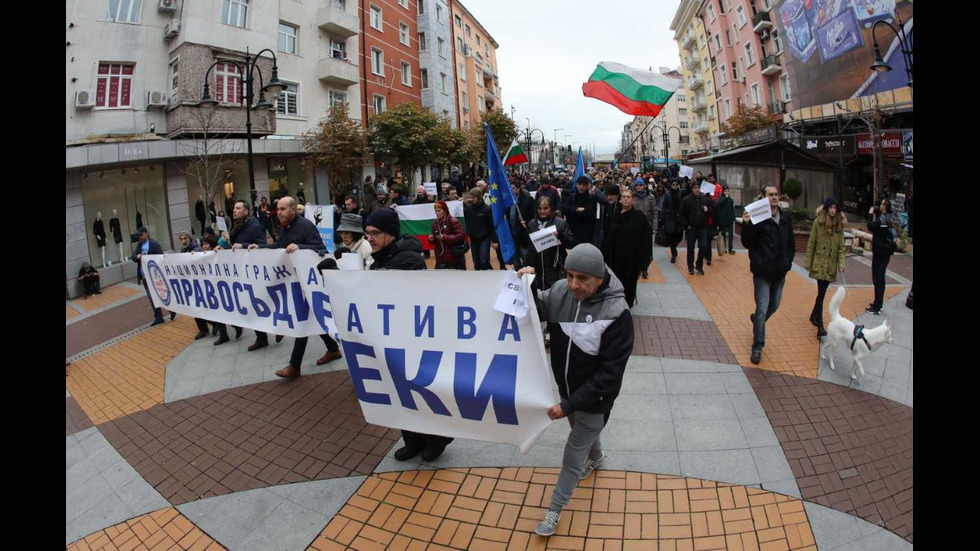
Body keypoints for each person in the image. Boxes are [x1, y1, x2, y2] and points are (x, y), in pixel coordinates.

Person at [515, 244, 633, 537]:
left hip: (596, 399)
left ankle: (554, 509)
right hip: (568, 388)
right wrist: (524, 284)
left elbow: (609, 375)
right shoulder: (560, 292)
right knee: (585, 433)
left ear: (600, 278)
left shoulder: (618, 313)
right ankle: (598, 456)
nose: (573, 285)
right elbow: (534, 308)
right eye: (569, 276)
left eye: (582, 278)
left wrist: (567, 406)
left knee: (573, 452)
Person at [364, 208, 454, 461]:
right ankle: (412, 440)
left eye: (374, 233)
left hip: (412, 338)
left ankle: (438, 439)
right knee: (399, 391)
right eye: (367, 233)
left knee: (418, 390)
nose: (369, 238)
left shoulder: (408, 260)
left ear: (390, 234)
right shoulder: (380, 258)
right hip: (391, 337)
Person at [242, 197, 342, 378]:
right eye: (277, 209)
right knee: (311, 317)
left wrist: (300, 247)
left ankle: (295, 366)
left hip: (309, 283)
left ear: (293, 210)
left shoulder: (306, 226)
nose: (278, 212)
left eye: (282, 209)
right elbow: (280, 247)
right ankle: (333, 349)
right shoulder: (283, 227)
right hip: (295, 282)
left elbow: (320, 249)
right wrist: (260, 247)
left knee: (302, 320)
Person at [741, 185, 795, 364]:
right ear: (764, 198)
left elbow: (791, 243)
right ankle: (757, 347)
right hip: (763, 272)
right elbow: (748, 243)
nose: (774, 197)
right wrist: (747, 225)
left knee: (774, 306)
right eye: (770, 195)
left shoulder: (786, 218)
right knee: (763, 309)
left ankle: (756, 320)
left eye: (776, 194)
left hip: (779, 272)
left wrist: (788, 262)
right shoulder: (758, 217)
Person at [805, 198, 847, 337]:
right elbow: (812, 243)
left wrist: (841, 264)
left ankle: (813, 315)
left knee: (821, 293)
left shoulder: (839, 226)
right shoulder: (818, 223)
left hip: (830, 265)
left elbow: (841, 247)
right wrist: (808, 262)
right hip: (819, 263)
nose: (833, 210)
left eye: (835, 208)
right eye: (831, 208)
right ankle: (820, 326)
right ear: (826, 208)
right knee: (822, 294)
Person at [602, 189, 652, 307]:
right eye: (623, 196)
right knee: (615, 283)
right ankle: (616, 305)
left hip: (631, 258)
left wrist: (644, 258)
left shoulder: (639, 217)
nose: (625, 199)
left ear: (632, 200)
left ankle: (626, 306)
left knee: (629, 283)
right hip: (615, 257)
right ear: (620, 199)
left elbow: (646, 238)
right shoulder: (614, 216)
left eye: (628, 197)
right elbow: (608, 236)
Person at [522, 195, 577, 292]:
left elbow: (571, 243)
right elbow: (526, 246)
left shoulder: (561, 223)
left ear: (551, 208)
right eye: (539, 208)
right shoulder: (531, 224)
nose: (542, 211)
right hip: (536, 270)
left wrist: (561, 235)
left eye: (545, 208)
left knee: (555, 296)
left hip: (555, 268)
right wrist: (521, 231)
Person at [131, 227, 171, 326]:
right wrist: (137, 256)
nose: (140, 237)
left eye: (141, 235)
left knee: (161, 293)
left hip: (154, 275)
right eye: (139, 235)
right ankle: (158, 316)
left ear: (146, 234)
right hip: (145, 276)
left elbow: (160, 258)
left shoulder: (154, 244)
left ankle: (171, 309)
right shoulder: (139, 245)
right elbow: (133, 256)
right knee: (151, 296)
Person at [866, 198, 896, 315]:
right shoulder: (889, 219)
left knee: (877, 278)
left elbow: (870, 226)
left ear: (885, 207)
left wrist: (870, 213)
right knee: (881, 279)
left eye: (882, 204)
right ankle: (878, 303)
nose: (880, 206)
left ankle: (877, 307)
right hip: (886, 253)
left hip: (879, 253)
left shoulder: (880, 221)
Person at [679, 181, 711, 275]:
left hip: (702, 228)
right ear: (692, 189)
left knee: (703, 246)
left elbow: (712, 211)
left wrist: (707, 210)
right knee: (691, 248)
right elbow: (682, 215)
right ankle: (690, 267)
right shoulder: (686, 200)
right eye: (695, 188)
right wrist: (687, 225)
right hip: (691, 228)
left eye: (698, 188)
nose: (697, 189)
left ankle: (699, 265)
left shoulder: (704, 199)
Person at [563, 175, 601, 247]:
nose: (581, 187)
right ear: (576, 185)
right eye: (580, 184)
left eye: (584, 185)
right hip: (572, 231)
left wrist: (573, 213)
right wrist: (576, 209)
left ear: (587, 186)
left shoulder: (592, 198)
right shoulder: (572, 196)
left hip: (587, 232)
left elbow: (588, 213)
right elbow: (565, 208)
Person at [428, 200, 467, 269]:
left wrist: (444, 237)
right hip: (440, 257)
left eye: (439, 211)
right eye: (436, 211)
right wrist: (431, 239)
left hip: (454, 257)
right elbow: (434, 241)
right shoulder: (435, 223)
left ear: (445, 211)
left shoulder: (453, 221)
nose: (437, 213)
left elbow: (461, 235)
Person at [463, 188, 494, 270]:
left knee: (484, 261)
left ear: (479, 197)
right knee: (476, 263)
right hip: (473, 239)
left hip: (484, 239)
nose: (472, 199)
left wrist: (494, 240)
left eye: (474, 197)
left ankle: (491, 273)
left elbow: (491, 225)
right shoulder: (469, 209)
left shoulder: (486, 209)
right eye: (471, 197)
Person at [633, 180, 659, 278]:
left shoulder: (650, 197)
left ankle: (645, 267)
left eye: (641, 185)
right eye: (637, 185)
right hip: (635, 227)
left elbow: (655, 212)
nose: (639, 187)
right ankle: (639, 268)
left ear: (644, 186)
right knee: (636, 248)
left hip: (647, 226)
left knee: (647, 249)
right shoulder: (632, 197)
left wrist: (655, 227)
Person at [717, 185, 736, 254]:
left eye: (727, 191)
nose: (727, 192)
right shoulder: (720, 198)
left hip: (730, 219)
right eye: (725, 191)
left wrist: (734, 217)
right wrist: (725, 198)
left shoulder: (730, 199)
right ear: (723, 191)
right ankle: (724, 248)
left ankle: (730, 249)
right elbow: (718, 204)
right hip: (723, 219)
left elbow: (732, 208)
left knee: (731, 234)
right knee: (723, 234)